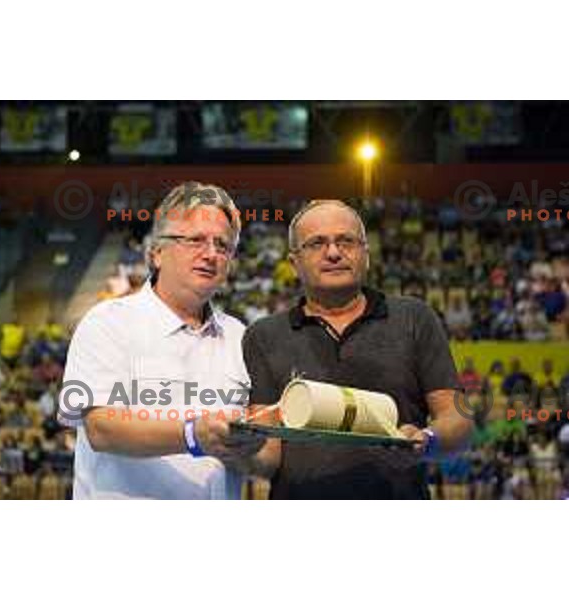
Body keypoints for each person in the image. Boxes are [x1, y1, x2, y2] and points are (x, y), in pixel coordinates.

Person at [59, 182, 277, 499]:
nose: (211, 254)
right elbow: (101, 429)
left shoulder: (240, 338)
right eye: (196, 240)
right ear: (157, 253)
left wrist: (242, 448)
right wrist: (192, 435)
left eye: (223, 245)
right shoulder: (107, 323)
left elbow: (268, 460)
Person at [242, 199, 472, 499]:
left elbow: (460, 420)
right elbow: (268, 455)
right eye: (317, 243)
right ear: (294, 262)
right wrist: (239, 450)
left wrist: (426, 440)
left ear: (366, 253)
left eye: (346, 241)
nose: (334, 253)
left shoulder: (414, 318)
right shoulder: (263, 336)